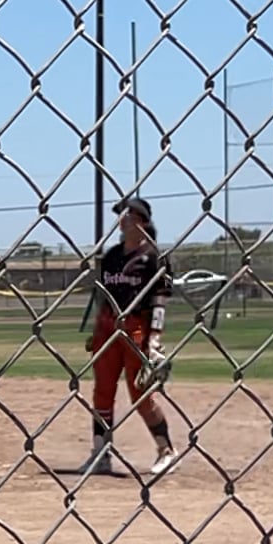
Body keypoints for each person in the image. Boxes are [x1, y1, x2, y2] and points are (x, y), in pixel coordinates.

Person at [79, 197, 178, 477]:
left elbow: (160, 300)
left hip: (137, 329)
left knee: (141, 395)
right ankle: (100, 453)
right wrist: (97, 328)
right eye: (122, 215)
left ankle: (167, 451)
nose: (122, 220)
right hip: (108, 328)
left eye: (129, 215)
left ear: (143, 222)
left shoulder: (154, 258)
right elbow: (105, 297)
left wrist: (154, 339)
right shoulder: (111, 256)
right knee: (102, 391)